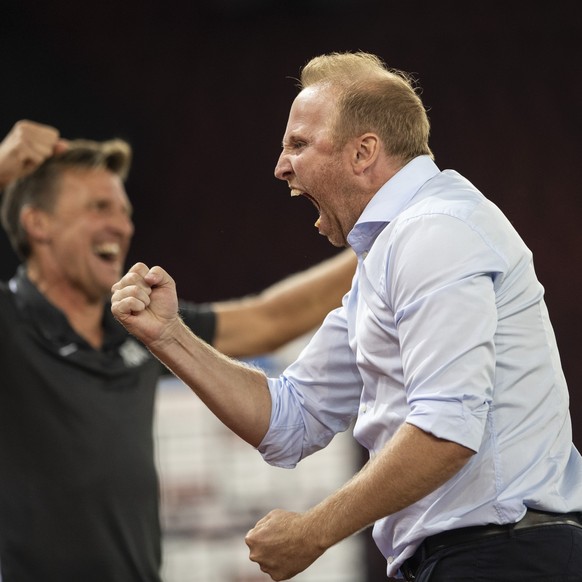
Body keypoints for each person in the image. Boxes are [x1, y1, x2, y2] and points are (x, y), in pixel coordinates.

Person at [111, 51, 582, 582]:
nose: (281, 165)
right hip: (474, 557)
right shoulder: (391, 250)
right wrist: (170, 336)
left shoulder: (435, 231)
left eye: (299, 144)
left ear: (364, 152)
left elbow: (447, 428)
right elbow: (291, 420)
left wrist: (314, 531)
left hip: (501, 558)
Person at [0, 119, 356, 582]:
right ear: (38, 224)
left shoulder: (139, 320)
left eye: (124, 211)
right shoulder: (9, 319)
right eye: (98, 207)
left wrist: (382, 239)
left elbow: (271, 319)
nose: (121, 226)